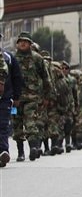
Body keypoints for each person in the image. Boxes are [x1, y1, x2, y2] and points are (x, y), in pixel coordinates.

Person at [13, 32, 52, 161]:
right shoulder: (12, 59)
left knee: (31, 122)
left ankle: (34, 148)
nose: (23, 43)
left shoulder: (37, 58)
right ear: (17, 43)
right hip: (15, 99)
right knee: (17, 125)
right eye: (20, 41)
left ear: (30, 44)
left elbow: (46, 78)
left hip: (32, 97)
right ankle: (20, 153)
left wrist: (47, 96)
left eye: (26, 41)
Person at [0, 37, 24, 167]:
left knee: (3, 125)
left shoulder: (8, 57)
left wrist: (16, 97)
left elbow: (17, 77)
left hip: (4, 98)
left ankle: (3, 151)